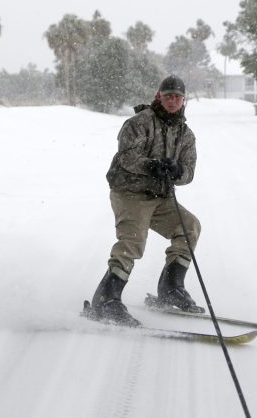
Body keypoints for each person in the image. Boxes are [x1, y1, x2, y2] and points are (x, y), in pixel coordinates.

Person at [89, 74, 203, 327]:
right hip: (130, 193)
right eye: (168, 95)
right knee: (132, 243)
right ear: (158, 96)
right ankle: (106, 300)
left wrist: (177, 171)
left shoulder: (186, 134)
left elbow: (190, 171)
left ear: (184, 100)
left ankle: (171, 289)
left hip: (160, 198)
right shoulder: (139, 122)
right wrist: (151, 166)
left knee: (190, 227)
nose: (172, 100)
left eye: (177, 96)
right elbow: (126, 157)